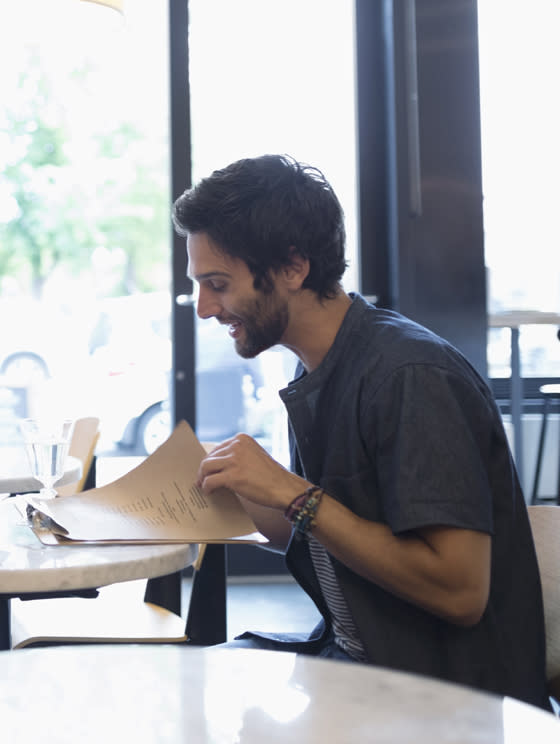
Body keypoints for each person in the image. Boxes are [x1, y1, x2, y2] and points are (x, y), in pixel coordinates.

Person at [172, 153, 550, 710]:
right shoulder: (322, 364)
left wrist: (293, 494)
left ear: (294, 267)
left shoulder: (409, 376)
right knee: (183, 689)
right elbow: (317, 531)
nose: (205, 309)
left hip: (441, 703)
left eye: (218, 283)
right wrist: (237, 487)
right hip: (358, 667)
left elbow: (461, 591)